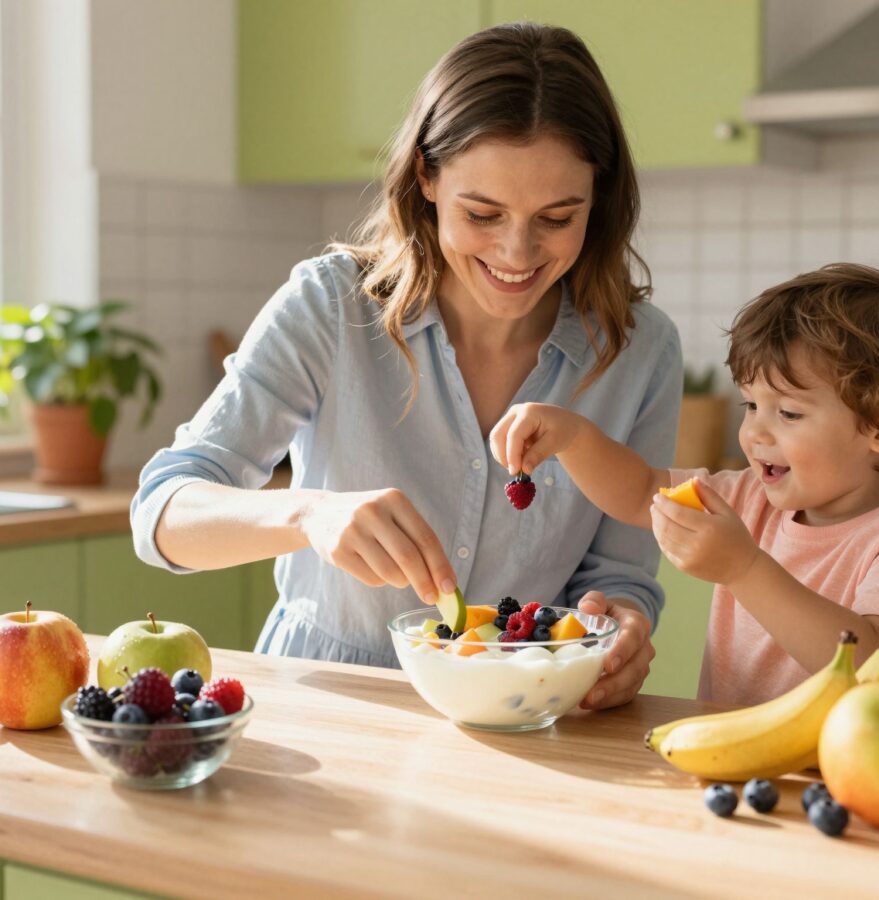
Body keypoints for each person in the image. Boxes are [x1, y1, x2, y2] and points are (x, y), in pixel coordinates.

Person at [130, 22, 683, 710]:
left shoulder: (642, 351)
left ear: (597, 199)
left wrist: (624, 627)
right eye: (482, 213)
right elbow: (161, 514)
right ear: (426, 176)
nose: (518, 252)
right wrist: (308, 514)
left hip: (521, 713)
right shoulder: (329, 305)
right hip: (323, 705)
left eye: (557, 217)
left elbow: (623, 575)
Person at [490, 263, 879, 707]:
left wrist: (744, 568)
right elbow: (639, 492)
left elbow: (875, 668)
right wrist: (574, 436)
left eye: (788, 413)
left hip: (857, 777)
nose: (756, 433)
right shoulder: (748, 498)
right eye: (751, 406)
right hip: (734, 760)